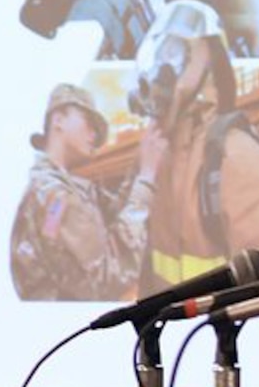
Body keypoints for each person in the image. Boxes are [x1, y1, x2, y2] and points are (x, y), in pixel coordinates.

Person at [132, 0, 259, 290]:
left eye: (175, 54)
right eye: (162, 50)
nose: (160, 72)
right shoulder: (156, 159)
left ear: (209, 62)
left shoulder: (240, 162)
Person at [10, 83, 163, 301]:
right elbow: (109, 278)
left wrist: (139, 167)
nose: (93, 134)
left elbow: (109, 214)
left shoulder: (63, 187)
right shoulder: (57, 196)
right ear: (59, 120)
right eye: (88, 122)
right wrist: (147, 178)